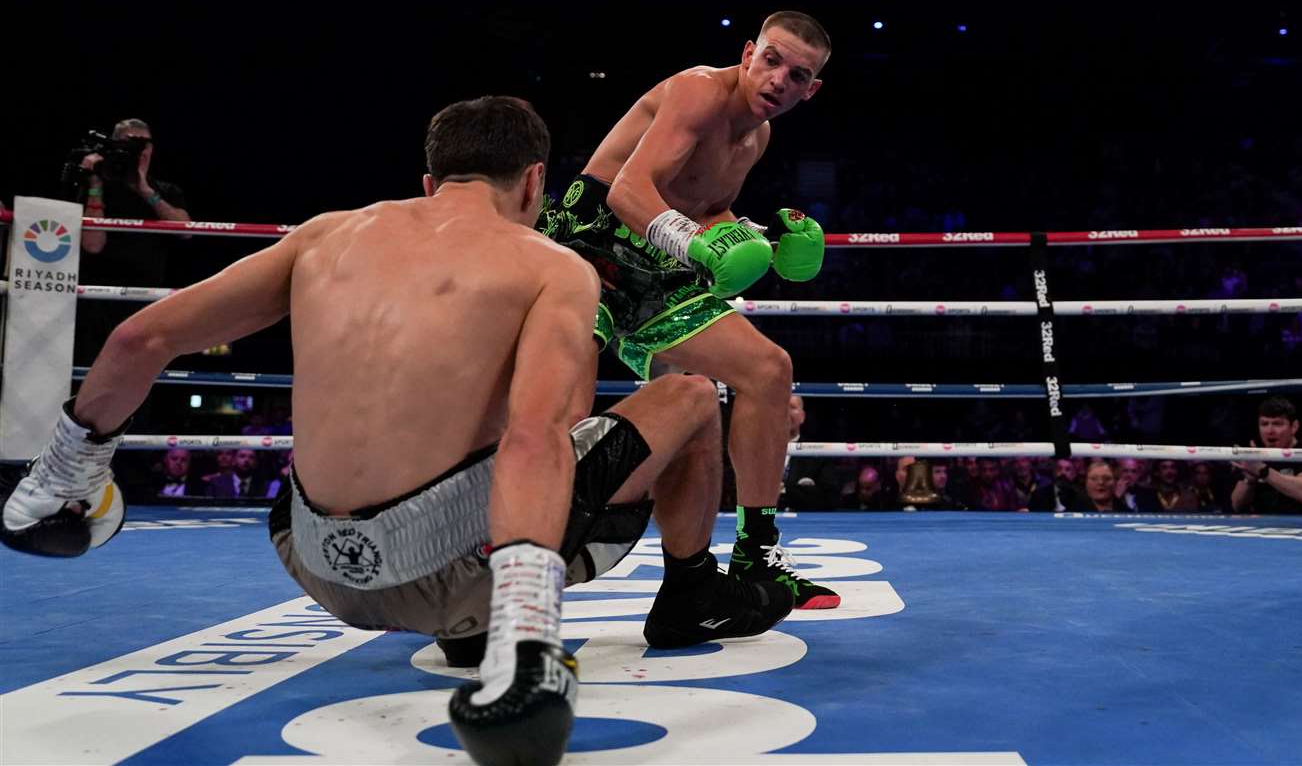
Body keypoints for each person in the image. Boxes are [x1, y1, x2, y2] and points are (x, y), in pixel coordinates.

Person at [2, 95, 792, 766]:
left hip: (311, 563)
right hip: (453, 573)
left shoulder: (324, 234)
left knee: (449, 437)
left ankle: (50, 483)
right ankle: (679, 596)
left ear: (429, 181)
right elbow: (535, 440)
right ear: (535, 184)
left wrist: (64, 476)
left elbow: (141, 341)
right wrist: (531, 645)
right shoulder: (551, 265)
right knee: (686, 395)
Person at [542, 11, 840, 608]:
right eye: (772, 60)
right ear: (750, 51)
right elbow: (629, 191)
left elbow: (706, 212)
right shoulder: (698, 90)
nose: (779, 79)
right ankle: (472, 561)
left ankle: (756, 556)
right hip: (586, 253)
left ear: (811, 90)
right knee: (560, 414)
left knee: (768, 370)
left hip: (656, 270)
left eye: (798, 74)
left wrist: (765, 244)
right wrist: (696, 242)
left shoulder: (757, 137)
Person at [74, 118, 193, 364]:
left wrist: (145, 190)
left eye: (144, 144)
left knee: (138, 377)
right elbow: (93, 245)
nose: (139, 150)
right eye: (130, 143)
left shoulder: (164, 190)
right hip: (98, 301)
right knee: (91, 374)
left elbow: (186, 230)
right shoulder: (95, 186)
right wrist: (95, 184)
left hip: (146, 301)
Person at [1231, 397, 1302, 514]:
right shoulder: (1255, 456)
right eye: (1264, 424)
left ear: (1294, 427)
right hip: (1265, 527)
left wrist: (1263, 471)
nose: (1270, 430)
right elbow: (1237, 506)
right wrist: (1250, 481)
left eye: (1277, 424)